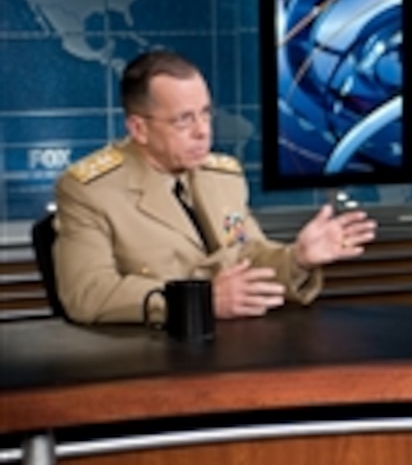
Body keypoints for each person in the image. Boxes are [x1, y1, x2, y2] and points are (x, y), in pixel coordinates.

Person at [53, 50, 377, 324]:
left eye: (205, 114)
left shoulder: (223, 176)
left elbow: (248, 258)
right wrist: (198, 302)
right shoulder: (91, 191)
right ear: (139, 128)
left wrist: (298, 258)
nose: (202, 131)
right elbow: (88, 294)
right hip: (151, 360)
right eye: (183, 120)